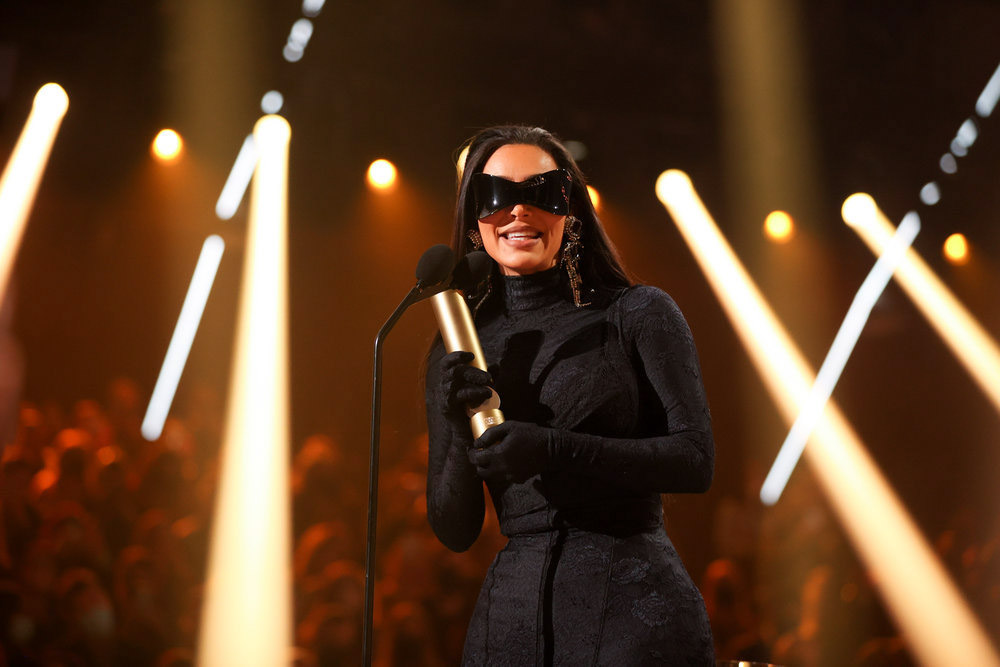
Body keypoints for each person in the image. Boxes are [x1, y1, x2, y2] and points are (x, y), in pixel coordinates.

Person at [424, 125, 715, 665]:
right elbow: (454, 530)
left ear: (569, 210)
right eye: (496, 195)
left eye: (541, 192)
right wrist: (454, 424)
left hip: (633, 608)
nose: (518, 211)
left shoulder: (637, 313)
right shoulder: (460, 345)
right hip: (510, 621)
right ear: (473, 220)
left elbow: (695, 461)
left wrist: (553, 448)